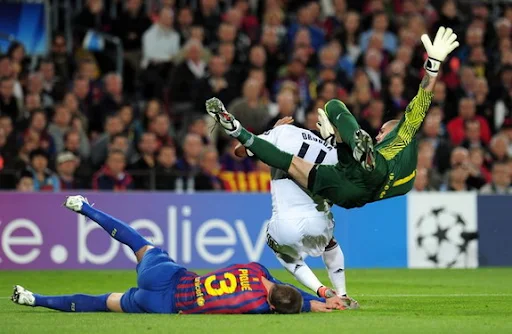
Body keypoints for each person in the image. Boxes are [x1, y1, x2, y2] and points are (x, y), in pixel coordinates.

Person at [206, 27, 459, 209]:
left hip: (361, 179)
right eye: (379, 132)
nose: (379, 134)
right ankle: (239, 130)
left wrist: (433, 65)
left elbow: (422, 98)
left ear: (394, 129)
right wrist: (333, 137)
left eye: (382, 131)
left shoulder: (404, 133)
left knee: (332, 107)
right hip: (357, 190)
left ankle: (237, 129)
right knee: (292, 163)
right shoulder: (404, 161)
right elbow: (423, 98)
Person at [12, 195, 344, 314]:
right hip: (162, 305)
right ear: (271, 307)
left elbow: (282, 290)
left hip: (168, 276)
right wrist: (316, 304)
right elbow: (286, 304)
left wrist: (314, 297)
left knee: (139, 244)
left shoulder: (256, 269)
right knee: (103, 302)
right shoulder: (259, 308)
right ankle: (35, 300)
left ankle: (85, 208)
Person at [234, 116, 358, 308]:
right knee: (330, 242)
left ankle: (321, 290)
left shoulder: (283, 132)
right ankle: (342, 294)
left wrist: (271, 132)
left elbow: (239, 151)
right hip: (319, 221)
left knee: (279, 249)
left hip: (286, 223)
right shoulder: (333, 150)